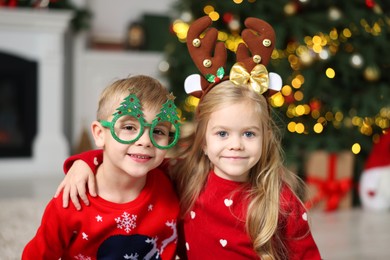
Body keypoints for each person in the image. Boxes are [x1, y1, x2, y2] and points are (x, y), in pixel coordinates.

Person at [55, 17, 322, 259]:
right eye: (222, 133)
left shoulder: (280, 199)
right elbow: (136, 158)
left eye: (249, 134)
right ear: (203, 140)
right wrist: (84, 162)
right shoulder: (185, 176)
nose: (236, 144)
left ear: (266, 137)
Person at [23, 75, 181, 259]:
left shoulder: (171, 178)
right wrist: (81, 162)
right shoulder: (72, 199)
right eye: (129, 127)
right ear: (99, 134)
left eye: (158, 131)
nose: (145, 141)